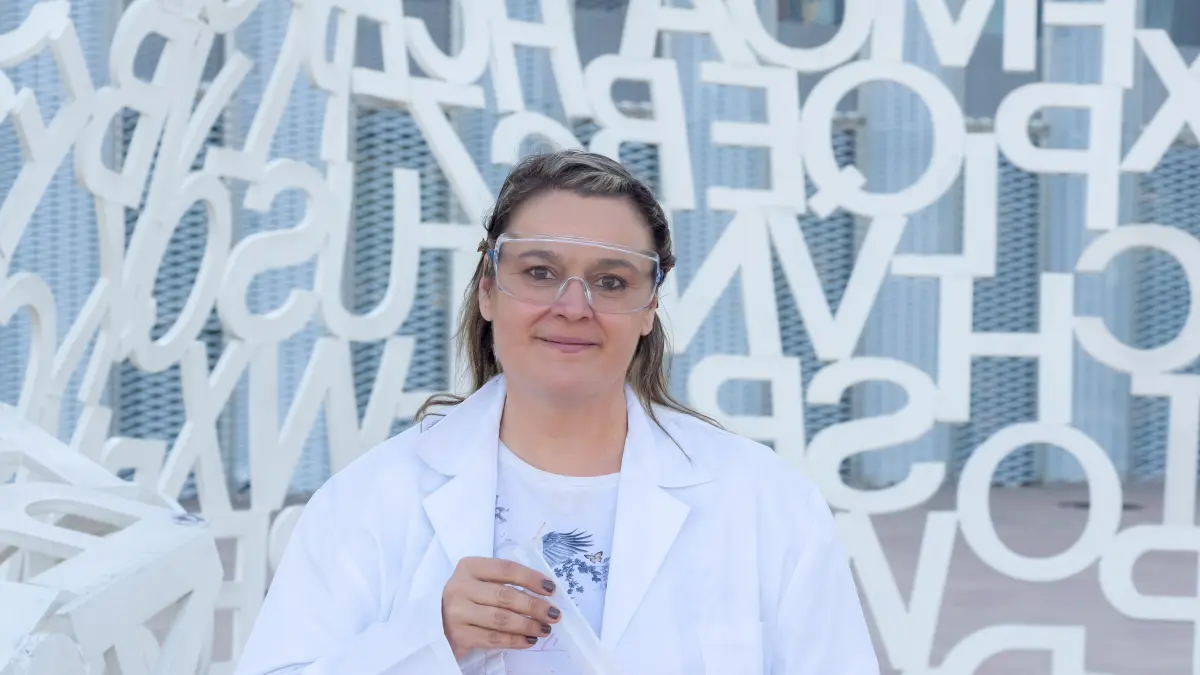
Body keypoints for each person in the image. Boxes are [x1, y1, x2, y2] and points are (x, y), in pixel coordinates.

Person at [234, 150, 879, 674]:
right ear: (488, 290)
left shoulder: (768, 503)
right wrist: (430, 640)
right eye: (540, 272)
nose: (574, 307)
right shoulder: (371, 500)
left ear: (650, 308)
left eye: (611, 281)